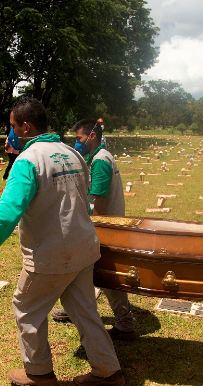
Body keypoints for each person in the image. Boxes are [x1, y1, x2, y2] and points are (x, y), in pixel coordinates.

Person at [0, 97, 124, 386]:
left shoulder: (27, 161)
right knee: (85, 311)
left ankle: (39, 372)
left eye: (13, 126)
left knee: (26, 307)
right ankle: (108, 371)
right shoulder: (72, 153)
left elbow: (6, 214)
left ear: (26, 126)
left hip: (52, 254)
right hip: (84, 247)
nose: (11, 133)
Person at [50, 118, 137, 340]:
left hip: (105, 227)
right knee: (86, 273)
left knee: (108, 277)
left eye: (78, 138)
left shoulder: (100, 161)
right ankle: (78, 311)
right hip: (106, 226)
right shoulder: (99, 156)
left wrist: (86, 229)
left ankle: (125, 322)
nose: (76, 142)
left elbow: (98, 206)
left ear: (92, 136)